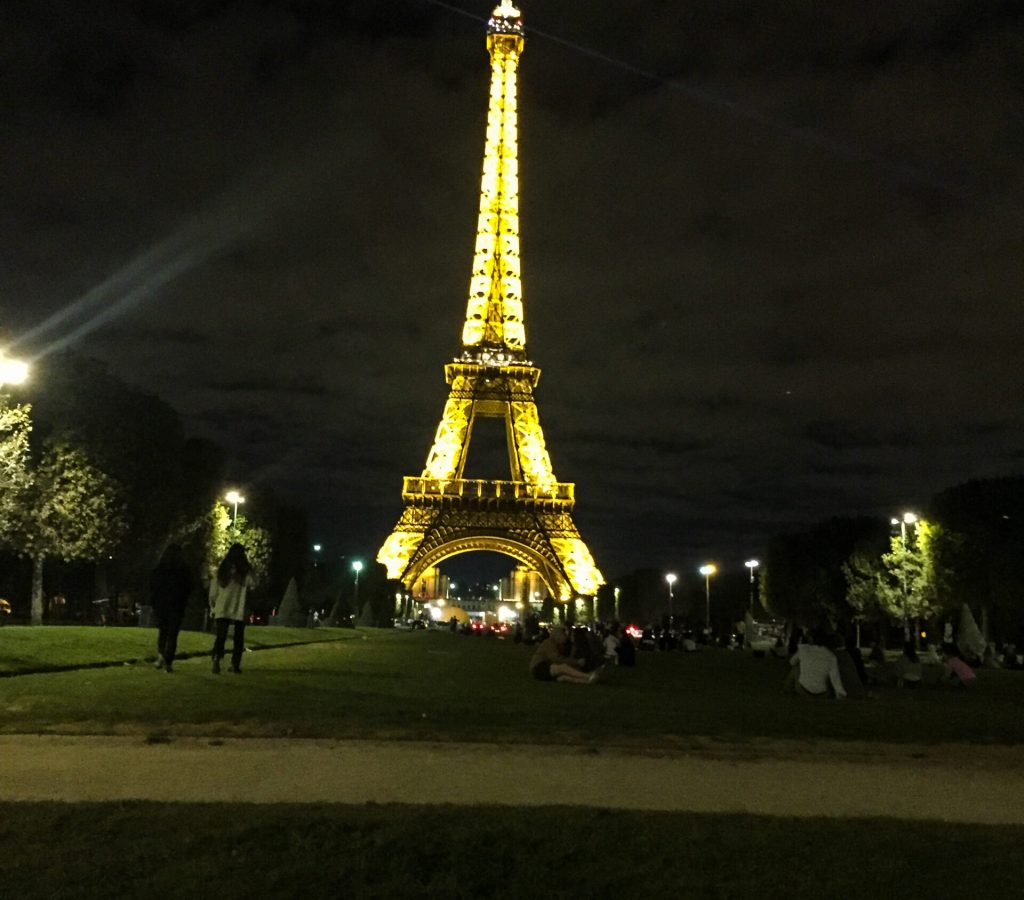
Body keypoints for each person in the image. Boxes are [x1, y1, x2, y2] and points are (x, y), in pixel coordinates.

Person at [209, 543, 255, 674]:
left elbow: (213, 592)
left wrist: (213, 606)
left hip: (222, 606)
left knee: (221, 636)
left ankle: (217, 659)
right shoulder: (246, 571)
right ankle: (235, 663)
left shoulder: (222, 570)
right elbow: (254, 585)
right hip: (239, 607)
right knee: (238, 638)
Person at [150, 544, 194, 673]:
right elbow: (189, 587)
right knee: (173, 634)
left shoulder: (160, 568)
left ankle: (160, 656)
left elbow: (153, 586)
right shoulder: (184, 570)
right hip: (177, 605)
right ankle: (168, 661)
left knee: (163, 632)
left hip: (162, 604)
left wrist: (155, 601)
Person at [529, 626, 599, 684]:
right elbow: (557, 659)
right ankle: (588, 676)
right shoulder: (549, 643)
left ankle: (587, 681)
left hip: (545, 668)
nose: (566, 636)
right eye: (563, 634)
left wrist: (573, 645)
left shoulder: (559, 645)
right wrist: (576, 661)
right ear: (557, 635)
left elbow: (566, 658)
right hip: (539, 667)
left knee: (563, 677)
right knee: (562, 668)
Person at [787, 630, 846, 698]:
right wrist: (840, 693)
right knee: (828, 673)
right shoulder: (831, 657)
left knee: (795, 668)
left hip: (803, 689)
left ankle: (787, 691)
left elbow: (792, 662)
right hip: (822, 693)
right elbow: (835, 678)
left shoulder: (804, 649)